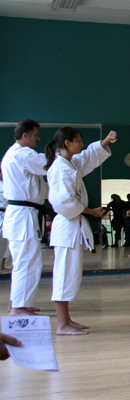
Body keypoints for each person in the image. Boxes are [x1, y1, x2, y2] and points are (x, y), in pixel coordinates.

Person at [45, 127, 115, 335]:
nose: (81, 144)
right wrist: (92, 212)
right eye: (78, 140)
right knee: (64, 274)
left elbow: (87, 158)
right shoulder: (60, 169)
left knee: (70, 274)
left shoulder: (69, 164)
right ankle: (61, 324)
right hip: (67, 223)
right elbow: (64, 203)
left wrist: (104, 142)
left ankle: (66, 320)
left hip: (71, 225)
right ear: (67, 143)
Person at [3, 120, 49, 316]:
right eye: (35, 134)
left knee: (28, 261)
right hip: (22, 215)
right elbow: (48, 163)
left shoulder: (15, 154)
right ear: (25, 135)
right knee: (26, 262)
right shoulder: (22, 154)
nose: (38, 138)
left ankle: (19, 302)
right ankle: (18, 307)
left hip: (24, 214)